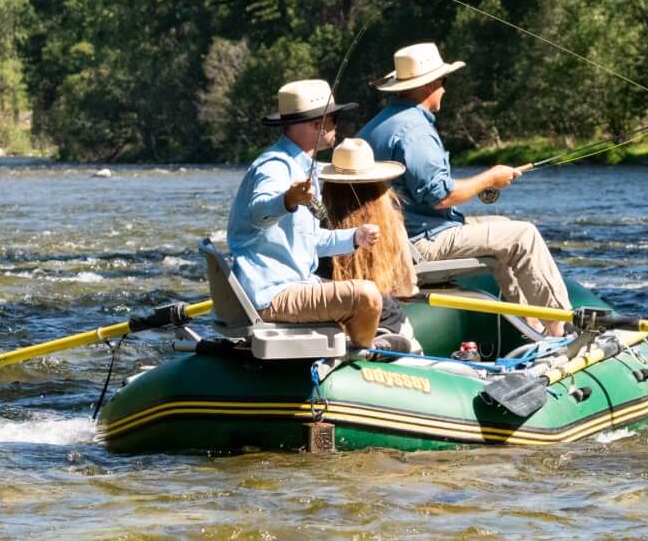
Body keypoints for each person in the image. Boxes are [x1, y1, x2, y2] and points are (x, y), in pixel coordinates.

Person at [355, 41, 572, 336]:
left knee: (504, 226)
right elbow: (442, 197)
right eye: (443, 82)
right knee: (524, 235)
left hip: (394, 240)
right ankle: (563, 328)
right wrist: (490, 178)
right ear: (428, 84)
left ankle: (531, 326)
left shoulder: (376, 126)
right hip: (418, 245)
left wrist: (488, 179)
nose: (445, 88)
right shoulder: (414, 131)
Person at [225, 79, 384, 348]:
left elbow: (308, 241)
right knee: (367, 296)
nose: (337, 125)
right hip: (271, 295)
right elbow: (259, 212)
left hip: (295, 285)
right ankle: (360, 362)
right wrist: (287, 199)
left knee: (380, 301)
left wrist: (355, 237)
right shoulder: (275, 166)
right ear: (316, 124)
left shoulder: (302, 166)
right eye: (334, 118)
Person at [316, 140, 421, 352]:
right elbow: (407, 286)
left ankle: (362, 347)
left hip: (332, 325)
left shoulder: (314, 224)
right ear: (377, 183)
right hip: (384, 321)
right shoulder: (391, 222)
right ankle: (378, 345)